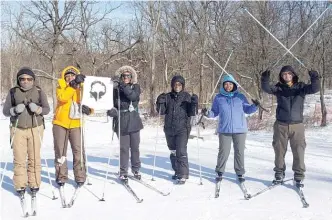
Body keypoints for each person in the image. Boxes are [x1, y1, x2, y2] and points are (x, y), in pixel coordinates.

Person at [261, 65, 319, 187]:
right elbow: (266, 88)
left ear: (293, 75)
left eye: (289, 74)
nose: (286, 76)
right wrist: (265, 78)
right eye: (284, 74)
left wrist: (314, 77)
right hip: (281, 125)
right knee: (279, 151)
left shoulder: (301, 87)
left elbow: (315, 88)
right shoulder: (279, 88)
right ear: (281, 76)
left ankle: (298, 176)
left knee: (299, 150)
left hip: (297, 125)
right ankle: (279, 173)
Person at [202, 74, 258, 183]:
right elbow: (214, 112)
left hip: (240, 130)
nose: (228, 86)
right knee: (223, 152)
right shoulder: (218, 98)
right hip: (225, 130)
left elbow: (248, 109)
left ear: (234, 85)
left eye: (230, 84)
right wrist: (207, 113)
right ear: (223, 85)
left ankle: (240, 173)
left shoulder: (240, 97)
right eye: (226, 84)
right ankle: (219, 172)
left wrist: (255, 106)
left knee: (239, 152)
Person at [2, 67, 50, 196]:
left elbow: (47, 109)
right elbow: (5, 111)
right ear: (19, 79)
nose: (26, 81)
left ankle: (34, 183)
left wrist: (38, 109)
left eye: (29, 79)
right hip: (17, 129)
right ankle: (20, 184)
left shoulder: (39, 91)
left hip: (36, 128)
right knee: (19, 158)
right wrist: (15, 110)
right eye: (22, 79)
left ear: (33, 80)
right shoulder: (13, 92)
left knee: (34, 158)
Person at [52, 66, 93, 187]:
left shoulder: (82, 88)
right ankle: (61, 176)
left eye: (72, 76)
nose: (70, 78)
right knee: (60, 151)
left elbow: (90, 102)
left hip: (76, 123)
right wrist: (72, 85)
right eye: (67, 77)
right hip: (60, 123)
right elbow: (62, 98)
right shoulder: (61, 86)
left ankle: (80, 176)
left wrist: (89, 110)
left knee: (78, 151)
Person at [156, 75, 198, 184]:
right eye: (175, 84)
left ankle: (183, 174)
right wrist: (159, 101)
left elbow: (192, 112)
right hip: (169, 128)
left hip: (182, 128)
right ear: (172, 85)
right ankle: (177, 171)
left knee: (181, 151)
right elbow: (161, 111)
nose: (177, 86)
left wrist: (194, 102)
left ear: (182, 85)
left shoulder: (186, 96)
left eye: (179, 84)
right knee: (173, 151)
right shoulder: (168, 96)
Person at [107, 66, 144, 183]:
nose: (126, 78)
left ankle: (136, 169)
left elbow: (133, 96)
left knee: (135, 147)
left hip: (133, 120)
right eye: (123, 76)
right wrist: (111, 111)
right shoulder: (116, 90)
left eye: (128, 76)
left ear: (131, 77)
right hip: (121, 120)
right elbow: (109, 102)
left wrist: (122, 86)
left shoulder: (135, 87)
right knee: (123, 148)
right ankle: (123, 171)